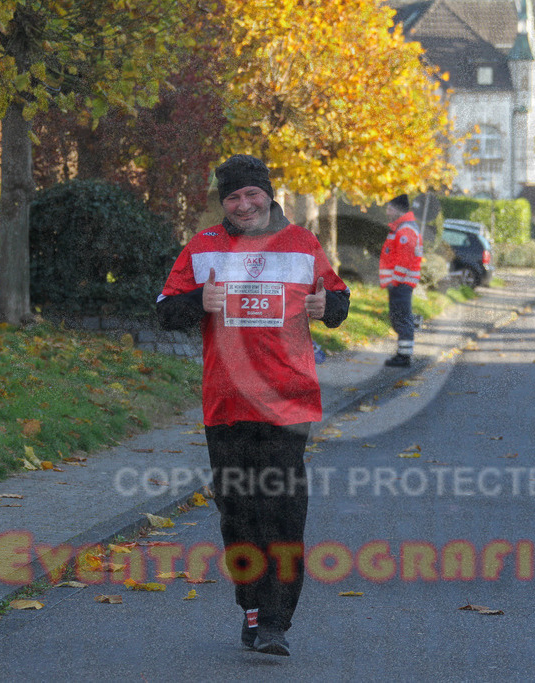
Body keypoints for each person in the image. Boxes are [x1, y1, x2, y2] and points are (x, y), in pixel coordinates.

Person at [155, 154, 350, 656]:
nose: (244, 204)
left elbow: (338, 299)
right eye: (234, 197)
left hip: (289, 401)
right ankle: (253, 605)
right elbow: (165, 312)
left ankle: (275, 622)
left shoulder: (303, 244)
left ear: (268, 193)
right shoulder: (204, 248)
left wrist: (328, 307)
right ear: (224, 203)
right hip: (227, 404)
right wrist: (200, 300)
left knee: (283, 510)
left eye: (252, 194)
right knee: (238, 510)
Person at [379, 194, 423, 367]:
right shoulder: (402, 227)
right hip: (400, 283)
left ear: (398, 209)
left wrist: (394, 281)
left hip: (401, 283)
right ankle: (412, 325)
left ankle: (404, 357)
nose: (387, 212)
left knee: (401, 318)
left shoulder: (405, 229)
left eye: (390, 208)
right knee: (399, 316)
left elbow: (404, 260)